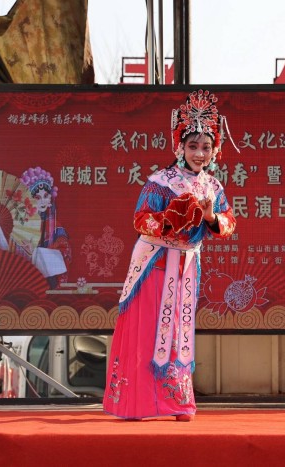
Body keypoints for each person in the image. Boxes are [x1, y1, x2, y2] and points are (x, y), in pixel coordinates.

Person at [103, 89, 237, 421]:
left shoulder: (213, 187)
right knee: (150, 328)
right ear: (180, 147)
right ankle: (138, 403)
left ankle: (177, 401)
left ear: (214, 150)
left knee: (179, 329)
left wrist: (210, 217)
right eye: (193, 146)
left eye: (206, 147)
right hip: (155, 262)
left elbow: (228, 222)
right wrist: (169, 220)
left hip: (186, 265)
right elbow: (140, 220)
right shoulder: (160, 182)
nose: (199, 153)